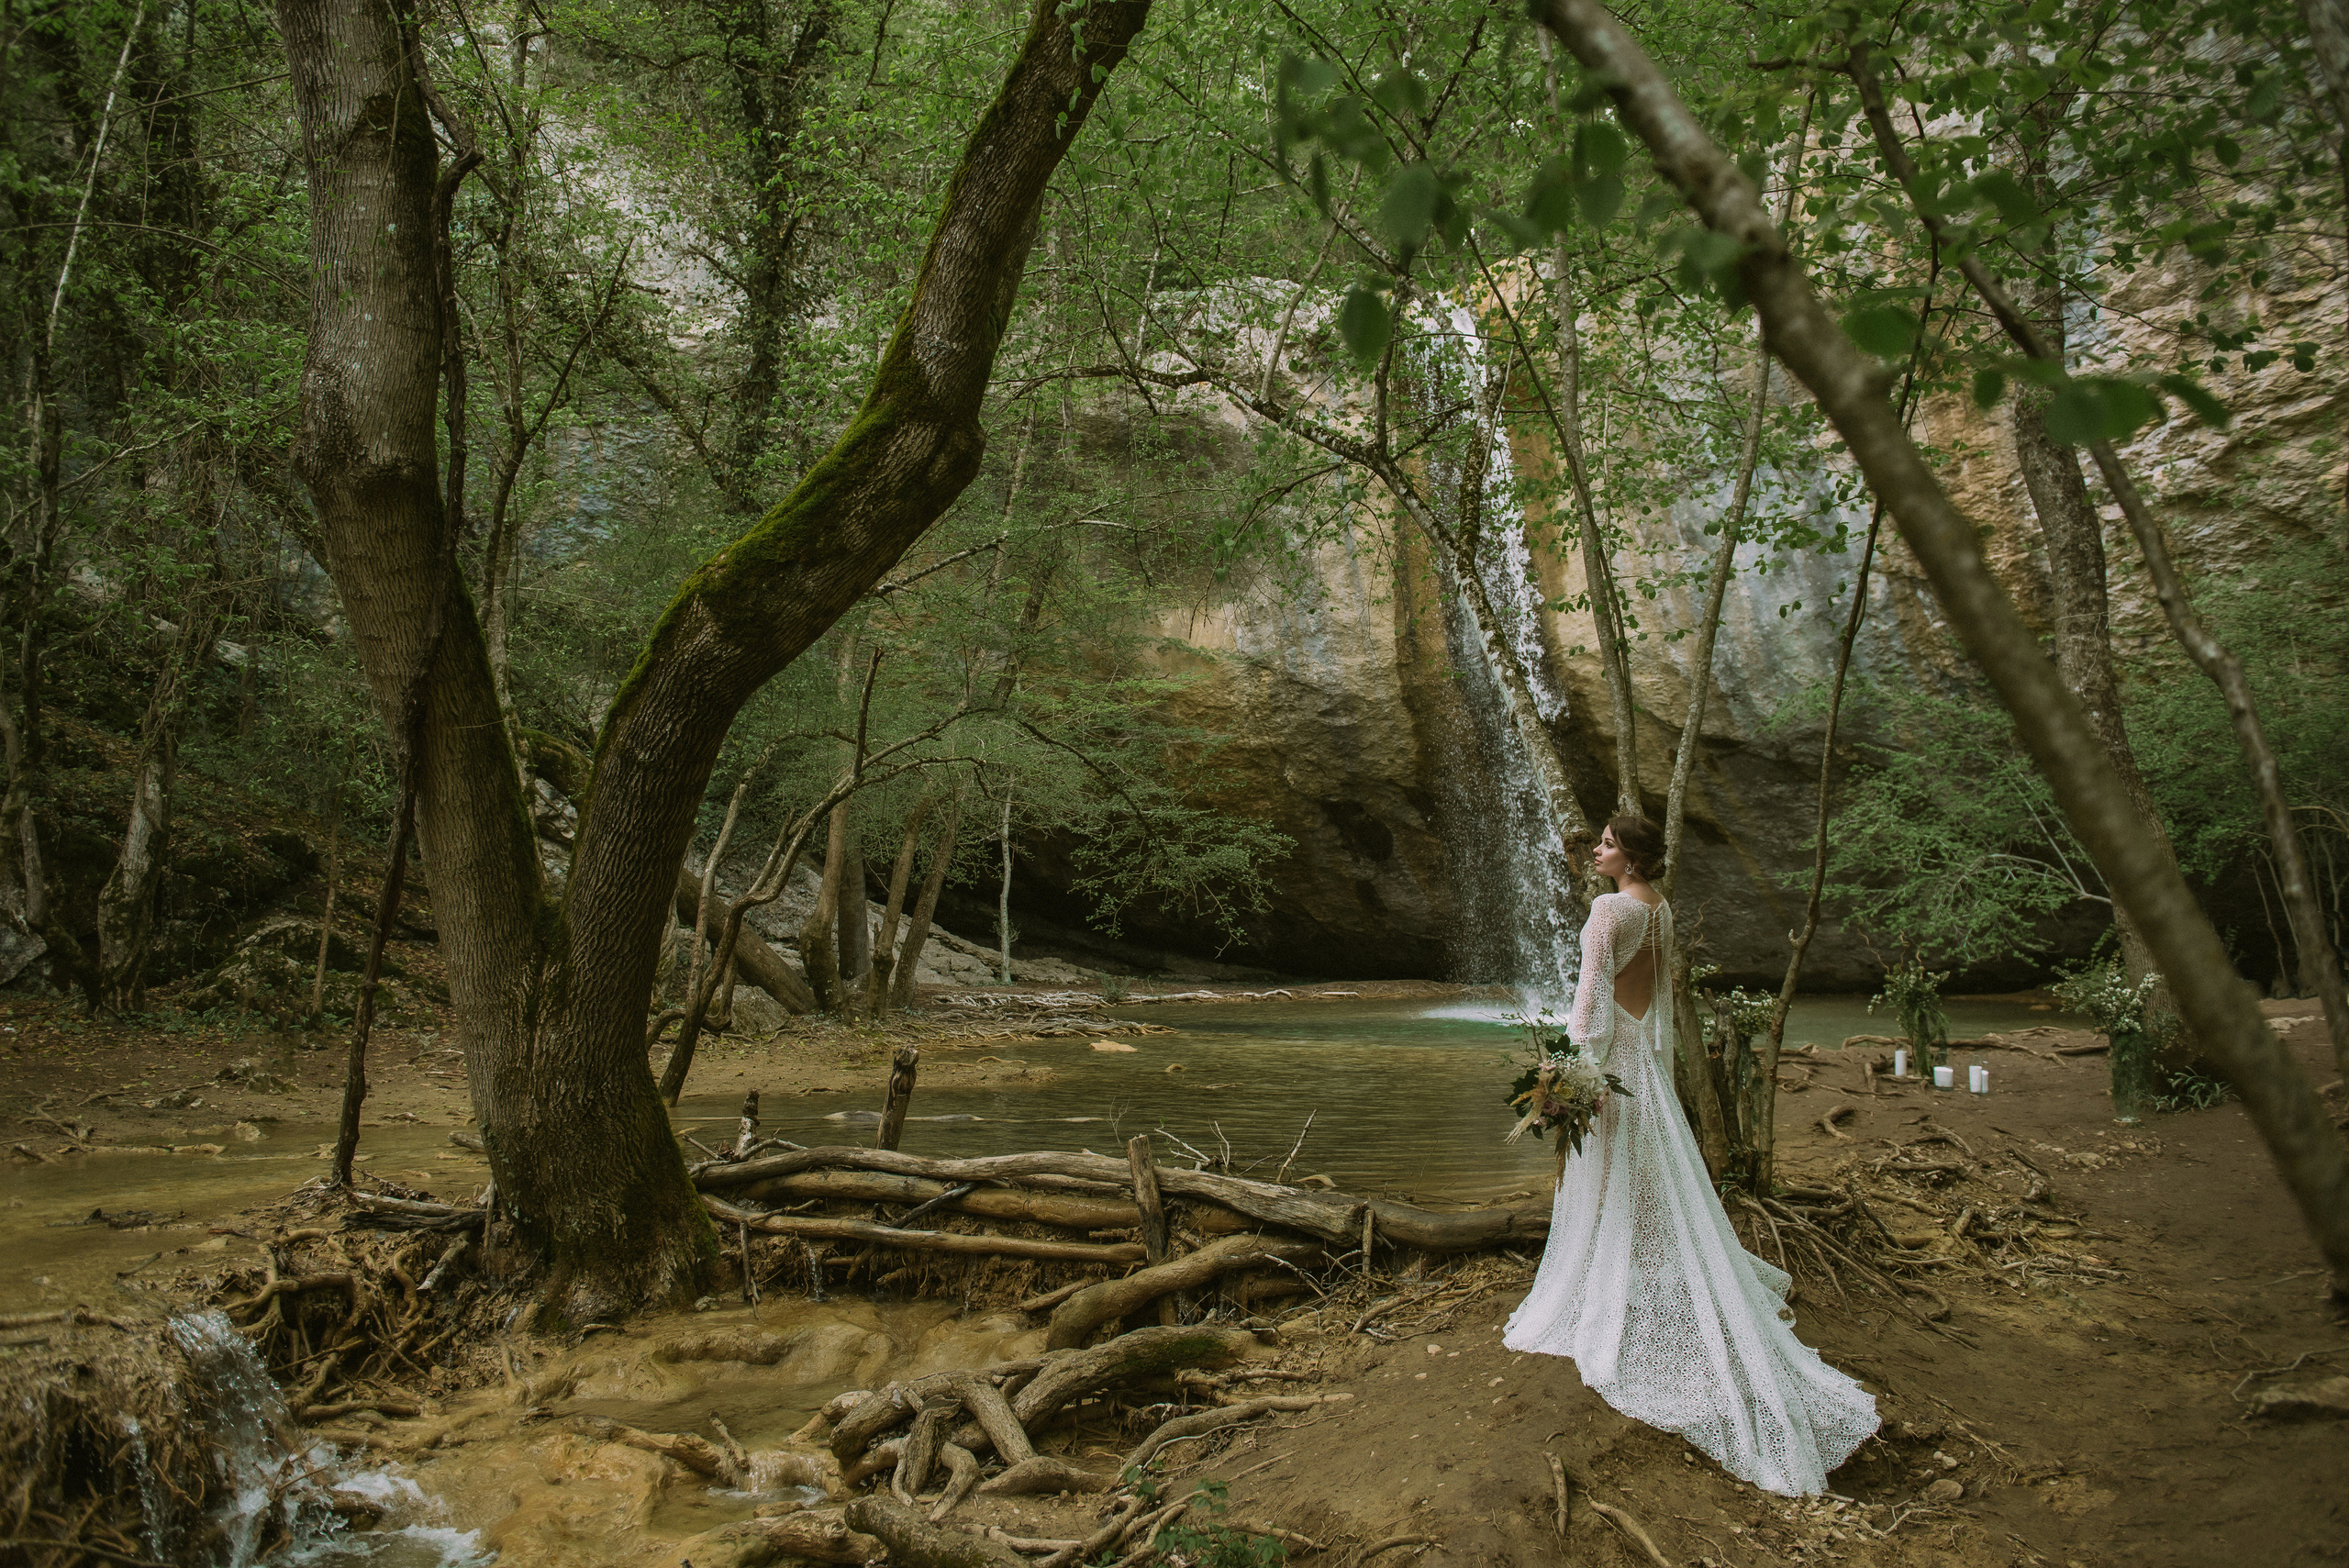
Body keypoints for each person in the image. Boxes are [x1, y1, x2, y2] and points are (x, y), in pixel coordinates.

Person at [1502, 815, 1878, 1496]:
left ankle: (1604, 1286)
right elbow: (1653, 998)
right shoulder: (1659, 909)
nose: (1596, 848)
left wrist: (1564, 1071)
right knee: (1639, 1177)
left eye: (1609, 841)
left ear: (1634, 856)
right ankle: (1628, 1274)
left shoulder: (1608, 909)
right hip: (1642, 1061)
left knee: (1607, 1175)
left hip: (1607, 1062)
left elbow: (1588, 1001)